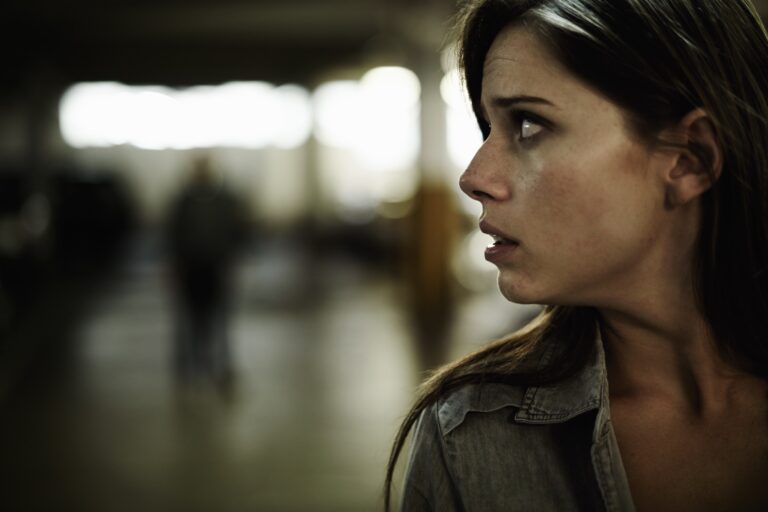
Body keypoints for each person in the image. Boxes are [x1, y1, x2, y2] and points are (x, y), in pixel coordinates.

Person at [386, 0, 768, 510]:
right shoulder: (472, 432)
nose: (474, 178)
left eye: (527, 124)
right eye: (487, 128)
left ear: (688, 159)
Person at [166, 156, 248, 393]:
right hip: (191, 268)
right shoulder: (183, 202)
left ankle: (221, 364)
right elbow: (172, 235)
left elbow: (238, 232)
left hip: (217, 267)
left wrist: (232, 261)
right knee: (190, 319)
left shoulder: (225, 201)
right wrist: (175, 266)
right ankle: (189, 366)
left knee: (221, 319)